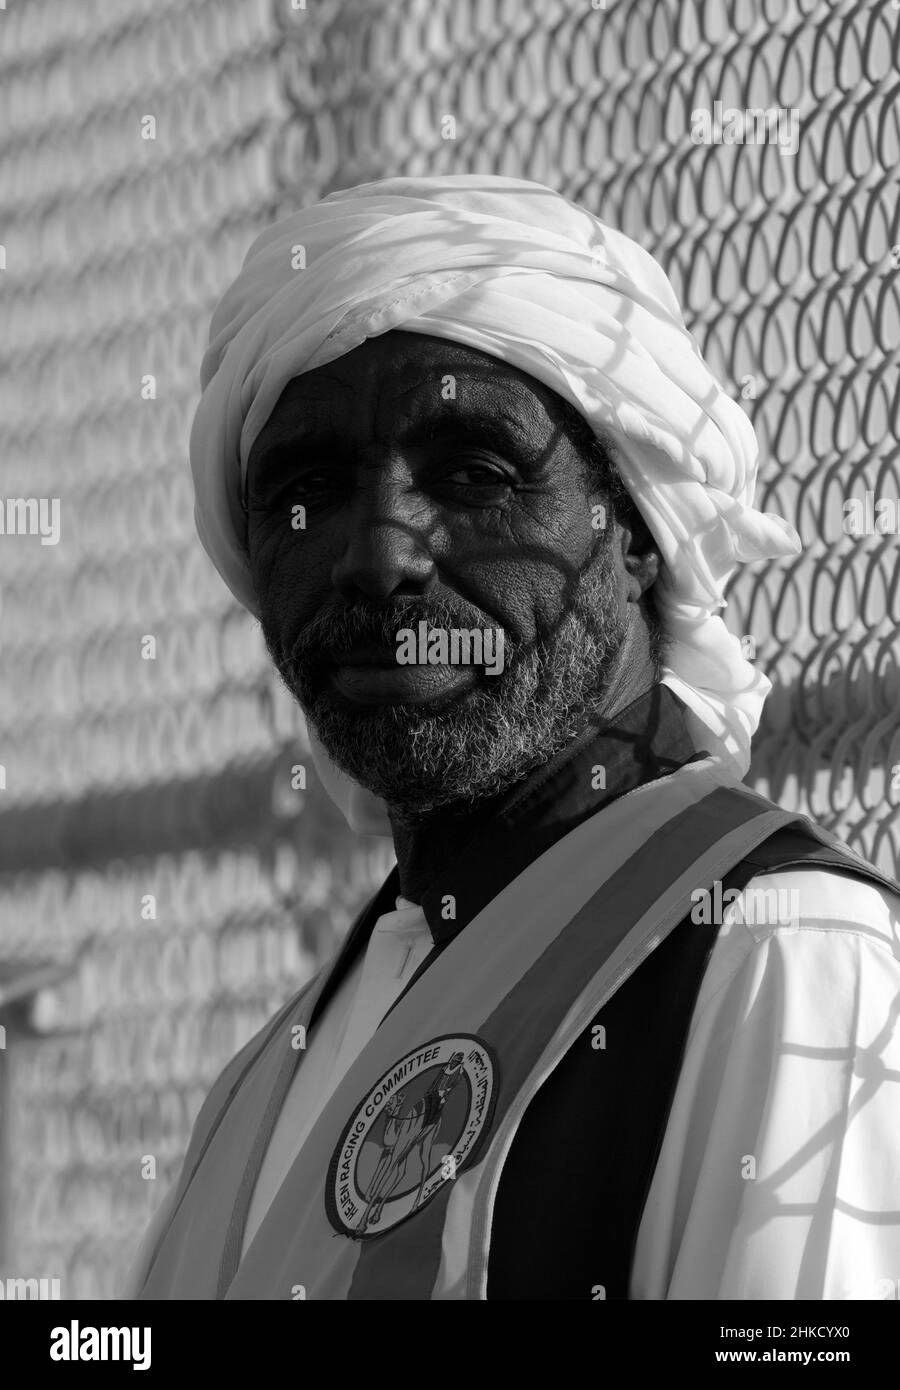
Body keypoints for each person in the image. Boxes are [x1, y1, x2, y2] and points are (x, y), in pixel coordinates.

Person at [128, 176, 900, 1300]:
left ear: (634, 529)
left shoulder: (776, 955)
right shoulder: (272, 1071)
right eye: (310, 488)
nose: (377, 554)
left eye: (473, 472)